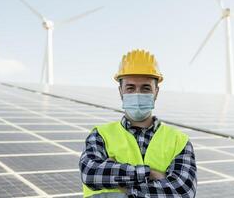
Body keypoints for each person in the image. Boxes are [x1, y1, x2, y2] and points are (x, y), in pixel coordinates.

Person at [79, 49, 197, 198]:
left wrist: (122, 185)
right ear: (120, 91)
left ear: (156, 92)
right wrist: (151, 173)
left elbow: (183, 192)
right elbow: (91, 174)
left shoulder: (179, 141)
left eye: (145, 88)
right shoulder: (100, 135)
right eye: (130, 88)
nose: (137, 94)